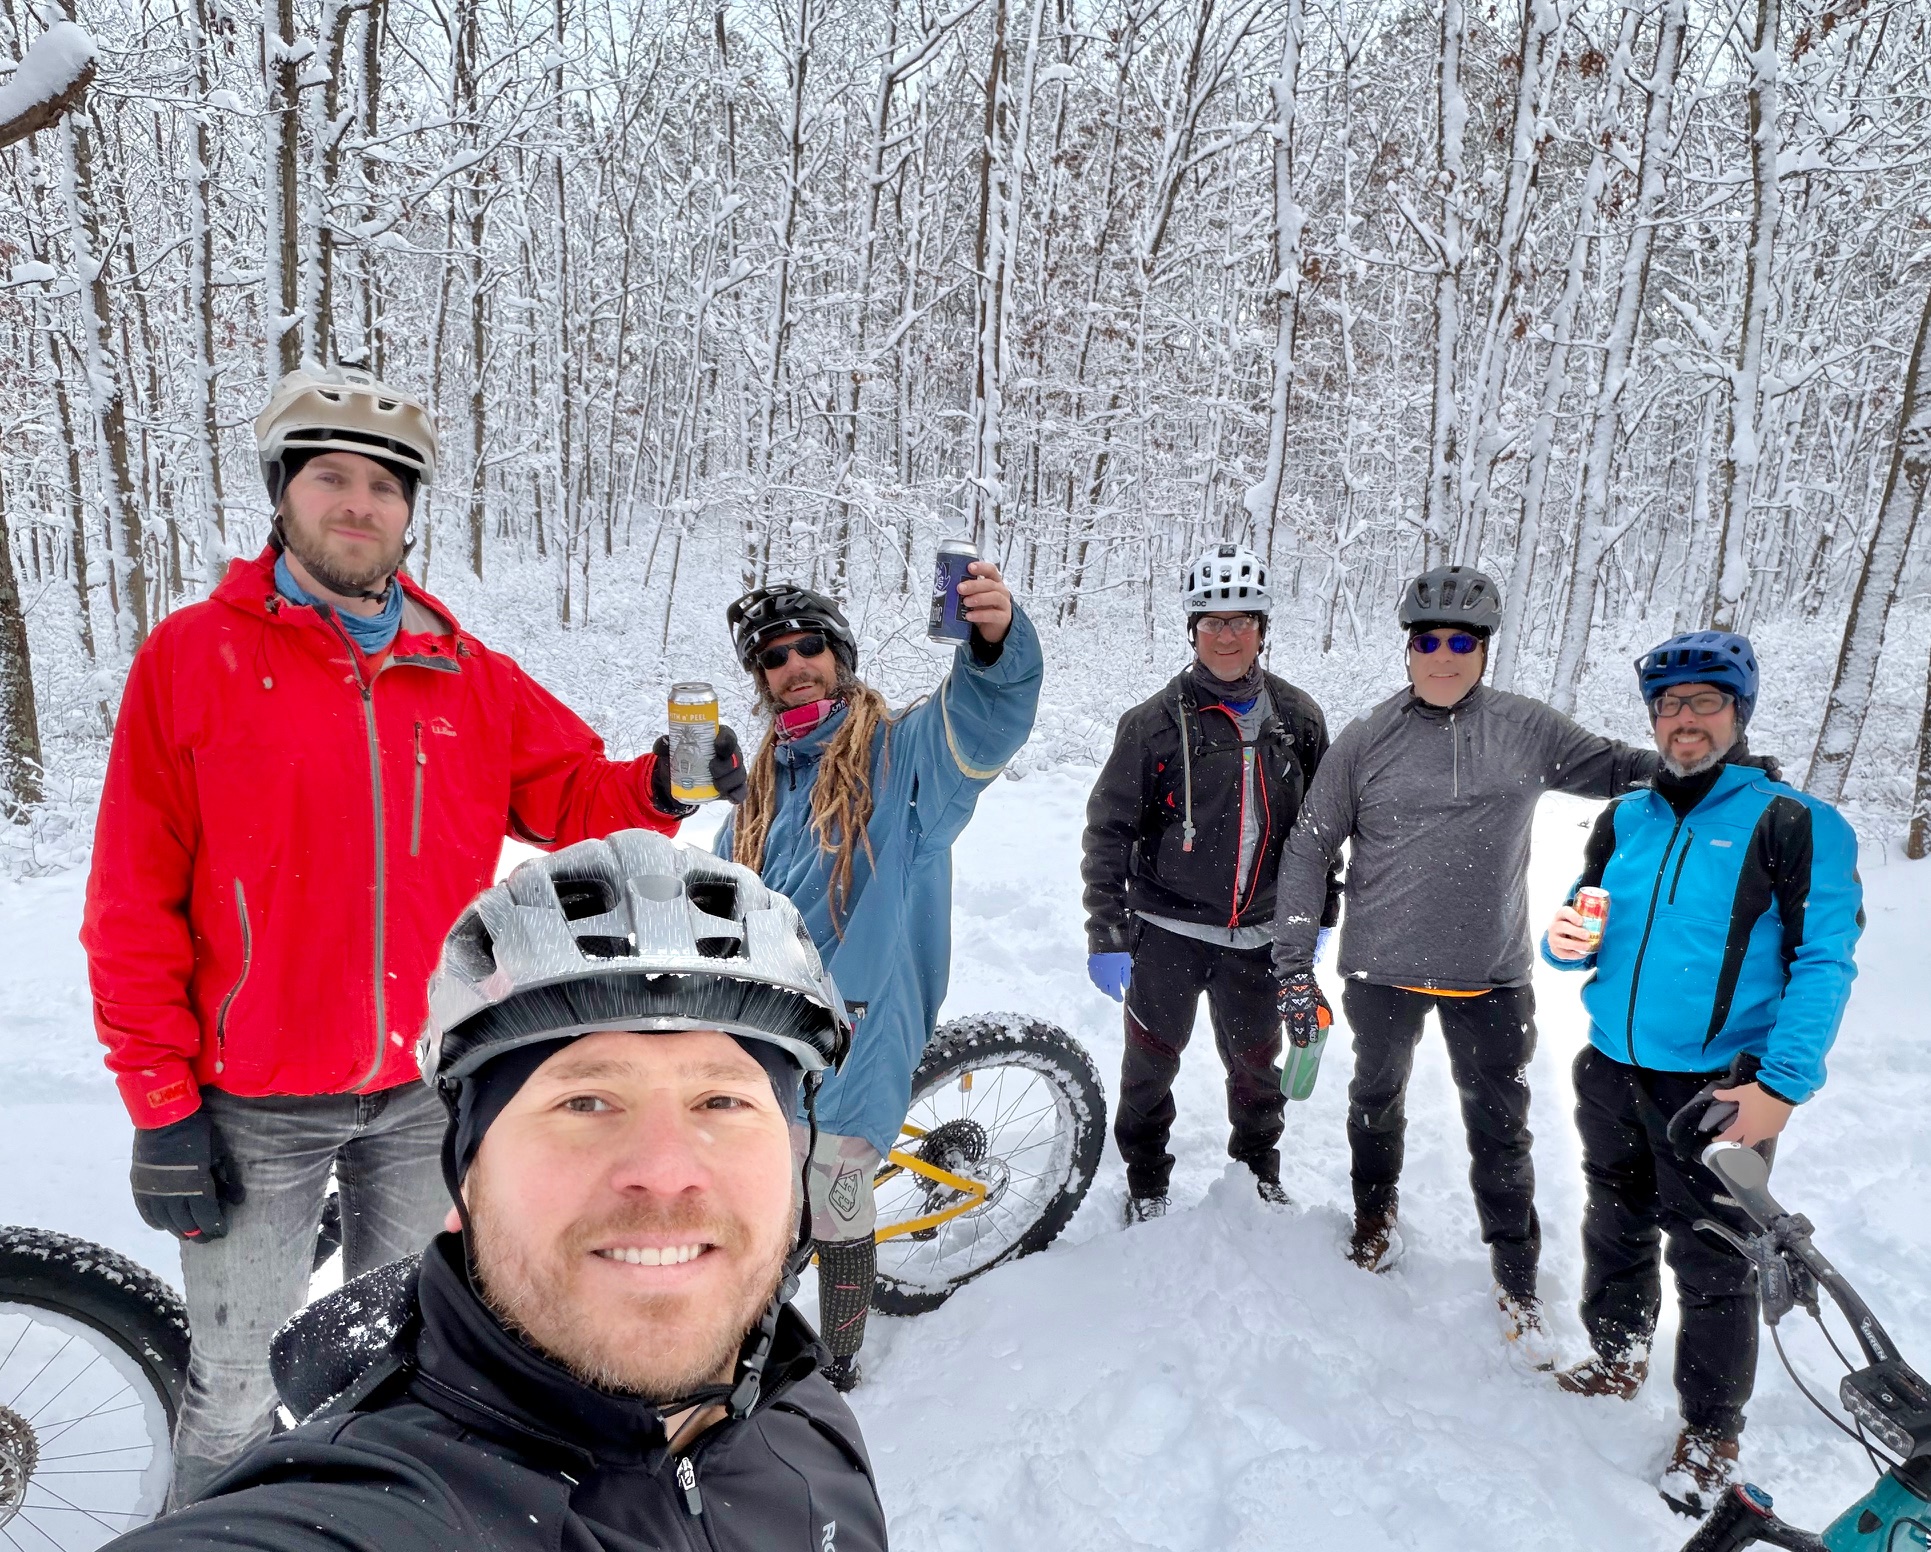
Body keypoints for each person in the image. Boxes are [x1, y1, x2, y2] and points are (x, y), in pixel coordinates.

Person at [81, 365, 746, 1505]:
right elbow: (131, 901)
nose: (358, 505)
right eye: (329, 478)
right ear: (283, 495)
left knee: (402, 1355)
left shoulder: (462, 669)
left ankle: (372, 1520)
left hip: (424, 1090)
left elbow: (569, 794)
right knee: (236, 1382)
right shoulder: (192, 659)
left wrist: (660, 786)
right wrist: (161, 1103)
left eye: (384, 487)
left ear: (408, 511)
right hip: (252, 1103)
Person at [104, 832, 888, 1551]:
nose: (665, 1167)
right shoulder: (370, 1514)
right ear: (465, 1178)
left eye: (725, 1100)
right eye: (584, 1101)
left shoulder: (804, 1415)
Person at [1270, 566, 1773, 1365]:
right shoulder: (1366, 738)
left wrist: (1721, 770)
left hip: (1490, 976)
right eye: (1428, 640)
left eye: (1461, 641)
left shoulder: (1524, 728)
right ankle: (1374, 1214)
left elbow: (1618, 768)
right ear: (1408, 650)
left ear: (1483, 650)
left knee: (1500, 1132)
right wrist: (1293, 963)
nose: (1444, 655)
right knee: (1374, 1101)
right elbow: (1307, 843)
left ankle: (1515, 1274)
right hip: (1380, 970)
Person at [1541, 631, 1861, 1516]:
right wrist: (1561, 941)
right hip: (1610, 1064)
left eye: (1704, 703)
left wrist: (1780, 1087)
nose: (1683, 721)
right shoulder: (1624, 818)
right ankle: (1614, 1355)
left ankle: (1711, 1428)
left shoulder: (1792, 823)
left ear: (1737, 712)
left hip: (1722, 1090)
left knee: (1716, 1257)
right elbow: (1582, 923)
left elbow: (1823, 962)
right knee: (1614, 1216)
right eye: (1669, 706)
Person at [716, 566, 1043, 1389]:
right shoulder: (756, 793)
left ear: (841, 655)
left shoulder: (903, 757)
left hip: (861, 1029)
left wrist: (992, 645)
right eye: (773, 657)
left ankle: (841, 1357)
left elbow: (983, 719)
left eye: (810, 646)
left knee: (835, 1190)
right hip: (770, 1035)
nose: (795, 665)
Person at [1080, 544, 1336, 1222]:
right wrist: (1106, 931)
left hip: (1258, 935)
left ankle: (1257, 1170)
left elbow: (1318, 833)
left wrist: (1317, 919)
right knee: (1151, 1064)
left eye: (1241, 620)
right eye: (1212, 621)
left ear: (1261, 629)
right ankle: (1144, 1178)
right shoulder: (1152, 723)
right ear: (1191, 631)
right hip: (1165, 931)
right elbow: (1108, 830)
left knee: (1257, 1065)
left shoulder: (1298, 720)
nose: (1227, 635)